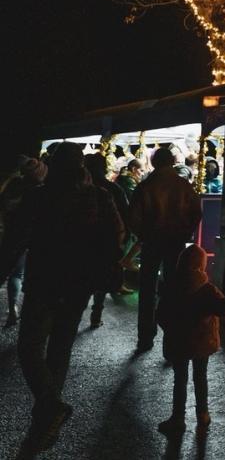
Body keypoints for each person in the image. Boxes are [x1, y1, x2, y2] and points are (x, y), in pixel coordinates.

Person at [0, 143, 123, 453]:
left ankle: (49, 407)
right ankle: (44, 420)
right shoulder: (100, 197)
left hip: (44, 282)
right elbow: (116, 236)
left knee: (29, 346)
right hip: (79, 285)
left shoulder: (39, 197)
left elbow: (15, 240)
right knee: (60, 348)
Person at [155, 244, 225, 435]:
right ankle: (203, 414)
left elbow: (161, 315)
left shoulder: (172, 287)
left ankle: (178, 419)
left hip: (178, 344)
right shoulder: (207, 290)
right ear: (201, 266)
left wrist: (172, 330)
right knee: (200, 377)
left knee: (180, 380)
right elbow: (222, 308)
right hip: (202, 344)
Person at [128, 146, 202, 353]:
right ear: (172, 162)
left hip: (151, 242)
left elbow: (133, 218)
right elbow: (196, 213)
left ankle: (145, 337)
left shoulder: (145, 186)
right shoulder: (183, 186)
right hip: (176, 242)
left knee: (147, 290)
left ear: (154, 163)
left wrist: (144, 235)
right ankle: (173, 337)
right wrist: (185, 232)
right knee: (174, 289)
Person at [84, 153, 131, 328]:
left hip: (84, 242)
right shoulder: (113, 189)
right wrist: (122, 239)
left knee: (83, 277)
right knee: (101, 279)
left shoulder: (79, 188)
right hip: (107, 241)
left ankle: (76, 310)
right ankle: (96, 314)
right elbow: (125, 214)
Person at [0, 156, 47, 327]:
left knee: (3, 271)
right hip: (27, 240)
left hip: (8, 235)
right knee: (16, 275)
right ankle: (13, 309)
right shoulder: (41, 192)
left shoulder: (14, 184)